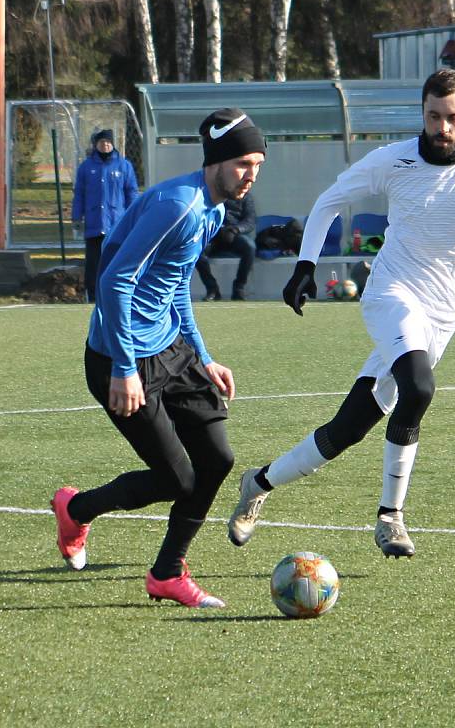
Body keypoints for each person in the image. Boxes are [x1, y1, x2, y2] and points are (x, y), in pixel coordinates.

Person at [227, 68, 455, 560]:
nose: (443, 128)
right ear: (422, 113)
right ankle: (390, 517)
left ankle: (258, 482)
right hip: (391, 294)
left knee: (346, 431)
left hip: (443, 315)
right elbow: (329, 202)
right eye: (434, 116)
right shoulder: (393, 160)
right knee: (419, 388)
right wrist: (305, 266)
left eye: (453, 118)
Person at [51, 108, 266, 608]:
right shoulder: (181, 205)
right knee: (176, 479)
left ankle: (167, 574)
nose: (250, 174)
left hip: (171, 349)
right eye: (242, 163)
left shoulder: (213, 209)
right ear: (214, 161)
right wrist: (125, 368)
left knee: (218, 458)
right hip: (120, 357)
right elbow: (113, 279)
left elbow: (175, 284)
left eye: (257, 164)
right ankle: (76, 509)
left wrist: (204, 357)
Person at [72, 129, 140, 302]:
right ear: (96, 145)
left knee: (116, 261)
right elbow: (79, 193)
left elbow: (131, 192)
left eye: (108, 142)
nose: (105, 145)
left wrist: (135, 216)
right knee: (93, 263)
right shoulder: (86, 167)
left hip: (116, 224)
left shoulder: (124, 166)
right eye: (102, 142)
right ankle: (93, 296)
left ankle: (117, 295)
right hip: (94, 224)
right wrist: (76, 217)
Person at [195, 191, 256, 301]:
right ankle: (212, 289)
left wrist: (236, 229)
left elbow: (250, 221)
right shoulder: (210, 194)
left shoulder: (245, 196)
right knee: (197, 251)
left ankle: (239, 288)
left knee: (250, 247)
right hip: (212, 235)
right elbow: (200, 216)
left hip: (233, 235)